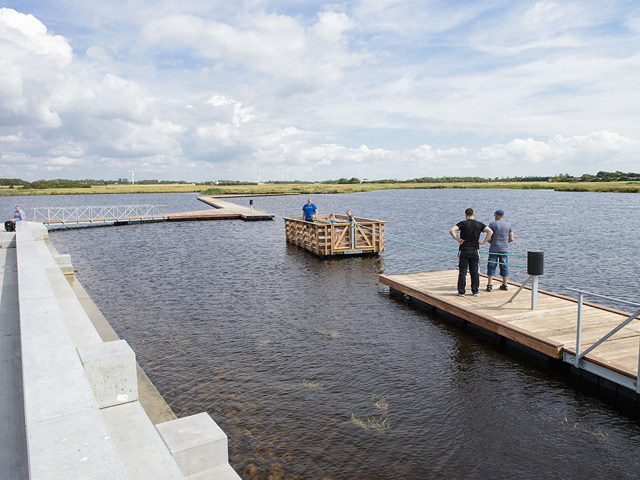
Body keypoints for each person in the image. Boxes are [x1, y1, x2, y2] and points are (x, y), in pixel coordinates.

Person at [449, 208, 492, 296]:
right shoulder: (479, 224)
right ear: (473, 214)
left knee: (462, 272)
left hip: (464, 250)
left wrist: (458, 239)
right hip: (475, 250)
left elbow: (452, 230)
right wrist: (484, 241)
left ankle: (461, 291)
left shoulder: (462, 223)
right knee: (475, 271)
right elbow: (490, 231)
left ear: (465, 215)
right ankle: (475, 290)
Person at [486, 209, 514, 292]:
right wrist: (505, 242)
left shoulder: (492, 224)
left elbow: (489, 236)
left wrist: (490, 242)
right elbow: (512, 238)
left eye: (494, 215)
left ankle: (489, 285)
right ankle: (505, 284)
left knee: (491, 266)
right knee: (504, 266)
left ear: (496, 216)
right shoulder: (508, 225)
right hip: (504, 249)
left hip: (494, 248)